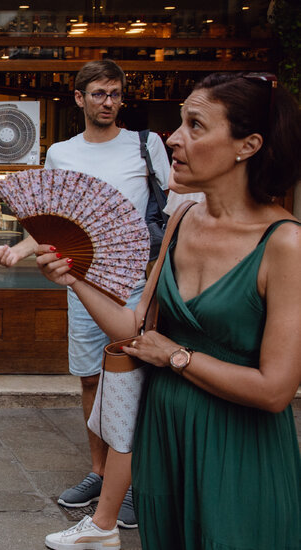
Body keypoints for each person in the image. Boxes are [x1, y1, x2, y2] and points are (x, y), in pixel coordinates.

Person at [38, 72, 301, 550]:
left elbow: (277, 390)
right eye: (179, 123)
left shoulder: (285, 245)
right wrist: (75, 277)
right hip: (165, 441)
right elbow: (136, 329)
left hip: (236, 451)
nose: (173, 139)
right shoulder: (180, 219)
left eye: (195, 125)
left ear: (248, 145)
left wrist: (177, 356)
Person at [0, 61, 170, 540]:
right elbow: (52, 220)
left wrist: (160, 273)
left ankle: (132, 484)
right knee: (90, 377)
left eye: (116, 93)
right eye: (100, 93)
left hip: (132, 280)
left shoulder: (146, 147)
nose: (109, 101)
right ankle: (101, 472)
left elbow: (173, 212)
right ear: (79, 98)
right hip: (79, 280)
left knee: (132, 378)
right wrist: (18, 249)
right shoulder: (61, 154)